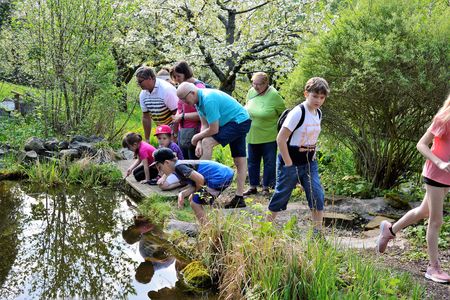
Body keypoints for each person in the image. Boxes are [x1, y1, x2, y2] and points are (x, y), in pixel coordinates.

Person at [377, 95, 450, 283]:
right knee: (436, 221)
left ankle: (390, 229)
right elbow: (421, 144)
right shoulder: (443, 119)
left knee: (423, 211)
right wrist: (439, 162)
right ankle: (433, 268)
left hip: (447, 177)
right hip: (435, 174)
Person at [267, 77, 330, 234]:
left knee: (317, 194)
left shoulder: (319, 113)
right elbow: (281, 139)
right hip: (291, 160)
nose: (318, 100)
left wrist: (313, 155)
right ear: (306, 94)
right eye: (315, 96)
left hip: (309, 162)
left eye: (322, 97)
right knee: (281, 194)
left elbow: (313, 136)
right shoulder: (298, 112)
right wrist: (289, 164)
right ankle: (265, 228)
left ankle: (317, 233)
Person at [176, 82, 251, 208]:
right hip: (232, 122)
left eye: (184, 98)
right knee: (238, 160)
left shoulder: (208, 99)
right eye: (181, 99)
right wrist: (199, 141)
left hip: (239, 121)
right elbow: (204, 126)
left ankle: (200, 184)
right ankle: (238, 198)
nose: (183, 102)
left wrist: (197, 138)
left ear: (192, 92)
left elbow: (214, 129)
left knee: (208, 142)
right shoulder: (198, 102)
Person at [152, 148, 234, 224]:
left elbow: (200, 179)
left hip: (219, 177)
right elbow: (195, 184)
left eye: (160, 167)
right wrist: (183, 194)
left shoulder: (179, 167)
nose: (160, 172)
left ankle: (206, 227)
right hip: (224, 175)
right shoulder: (179, 167)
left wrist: (197, 192)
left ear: (167, 162)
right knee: (194, 199)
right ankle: (208, 221)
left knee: (195, 202)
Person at [244, 72, 286, 196]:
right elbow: (247, 106)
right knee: (252, 161)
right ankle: (252, 186)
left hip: (269, 135)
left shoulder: (274, 95)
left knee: (269, 161)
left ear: (266, 83)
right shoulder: (251, 92)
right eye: (253, 83)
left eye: (258, 84)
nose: (255, 87)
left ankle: (266, 187)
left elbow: (283, 115)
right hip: (252, 134)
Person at [170, 61, 204, 159]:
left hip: (196, 131)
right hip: (183, 131)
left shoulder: (198, 88)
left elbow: (202, 114)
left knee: (194, 163)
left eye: (178, 76)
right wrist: (175, 130)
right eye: (174, 77)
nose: (177, 79)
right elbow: (180, 108)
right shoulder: (181, 87)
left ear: (186, 73)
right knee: (184, 162)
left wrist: (182, 116)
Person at [135, 66, 178, 143]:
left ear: (150, 78)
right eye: (137, 82)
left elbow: (177, 113)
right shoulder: (143, 94)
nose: (139, 84)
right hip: (161, 131)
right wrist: (147, 139)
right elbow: (146, 117)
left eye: (140, 81)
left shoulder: (166, 90)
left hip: (174, 130)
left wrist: (174, 134)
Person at [154, 124, 185, 190]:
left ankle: (183, 182)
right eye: (159, 138)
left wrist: (164, 177)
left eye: (164, 138)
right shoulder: (161, 147)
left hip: (178, 171)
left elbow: (172, 163)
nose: (161, 141)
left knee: (162, 186)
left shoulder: (173, 147)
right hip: (169, 171)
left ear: (170, 138)